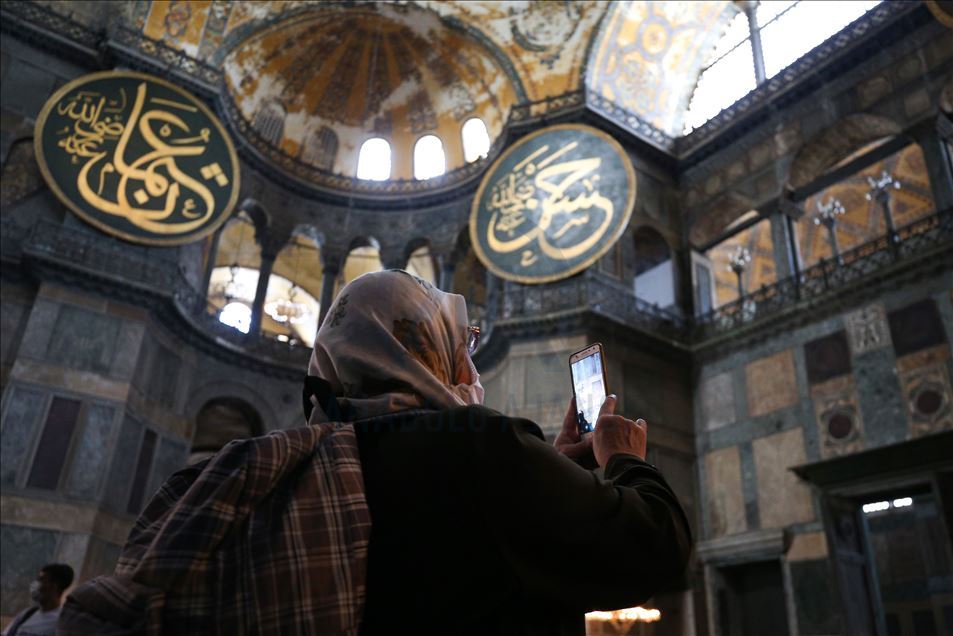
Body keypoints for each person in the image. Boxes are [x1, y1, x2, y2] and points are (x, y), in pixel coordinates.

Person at [58, 270, 690, 635]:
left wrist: (546, 467)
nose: (467, 355)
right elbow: (657, 546)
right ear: (428, 347)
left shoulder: (303, 457)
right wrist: (620, 459)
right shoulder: (478, 449)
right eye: (458, 338)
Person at [2, 564, 73, 636]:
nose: (35, 585)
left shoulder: (63, 622)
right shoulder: (27, 614)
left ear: (54, 585)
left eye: (41, 580)